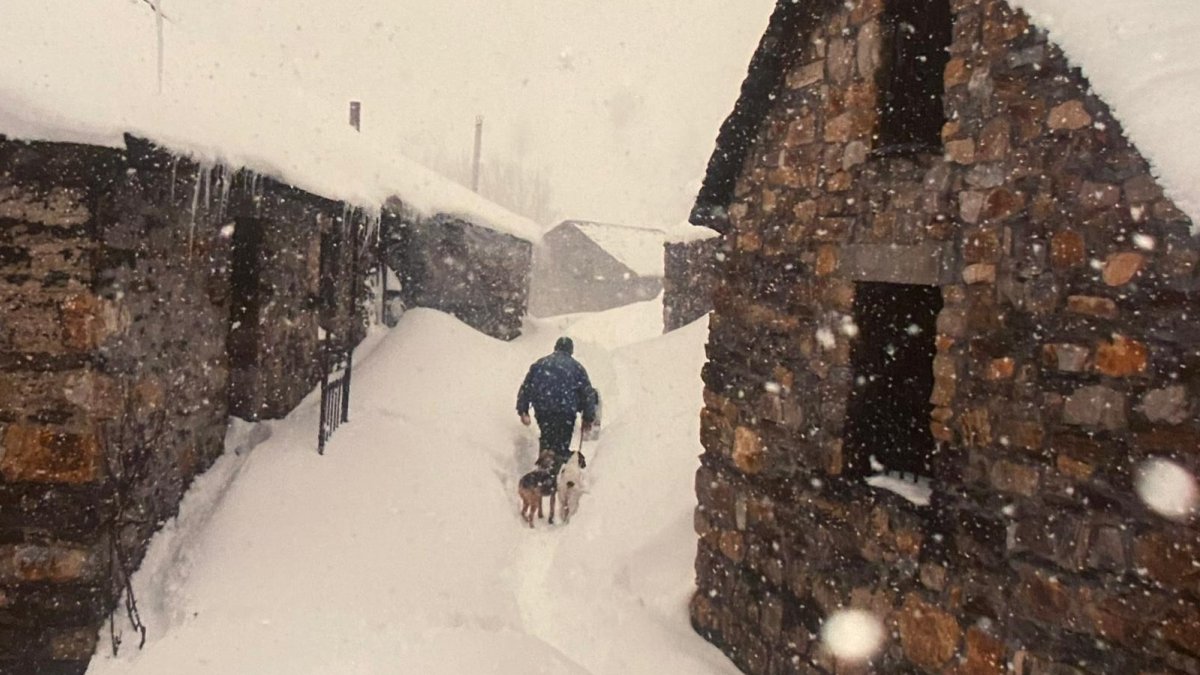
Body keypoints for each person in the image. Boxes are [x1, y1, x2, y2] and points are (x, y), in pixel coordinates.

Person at [517, 337, 597, 469]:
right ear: (571, 350)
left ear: (555, 347)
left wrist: (523, 410)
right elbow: (587, 394)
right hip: (565, 413)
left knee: (547, 438)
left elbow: (526, 388)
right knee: (561, 445)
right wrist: (588, 417)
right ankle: (554, 473)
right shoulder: (577, 368)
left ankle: (543, 470)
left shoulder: (540, 364)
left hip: (543, 410)